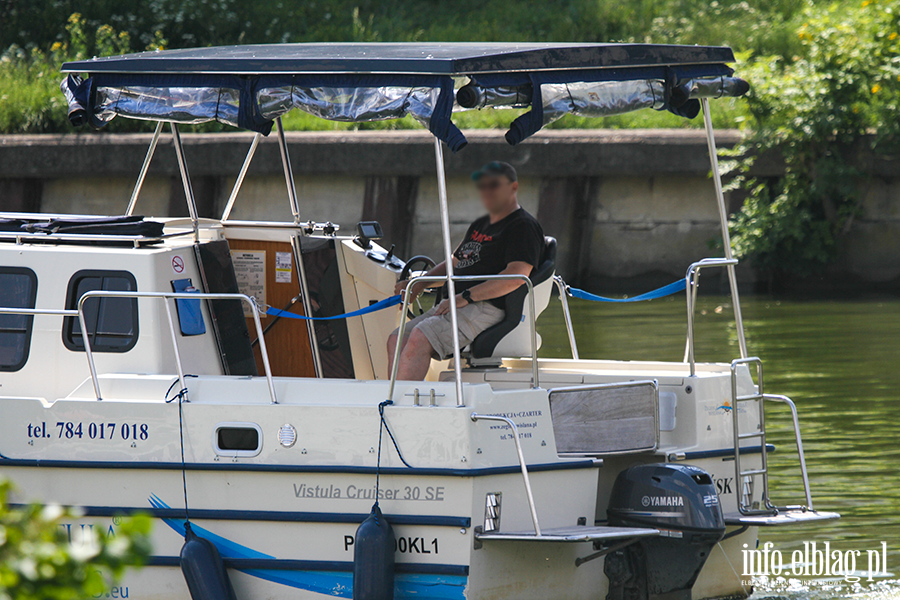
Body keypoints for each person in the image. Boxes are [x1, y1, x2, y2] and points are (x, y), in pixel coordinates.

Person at [387, 161, 544, 380]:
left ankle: (402, 409)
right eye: (483, 186)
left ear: (513, 188)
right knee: (397, 339)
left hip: (487, 307)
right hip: (456, 303)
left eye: (495, 185)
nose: (487, 191)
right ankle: (395, 403)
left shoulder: (523, 226)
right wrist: (419, 284)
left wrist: (466, 297)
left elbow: (516, 277)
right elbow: (454, 262)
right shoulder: (482, 223)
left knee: (420, 337)